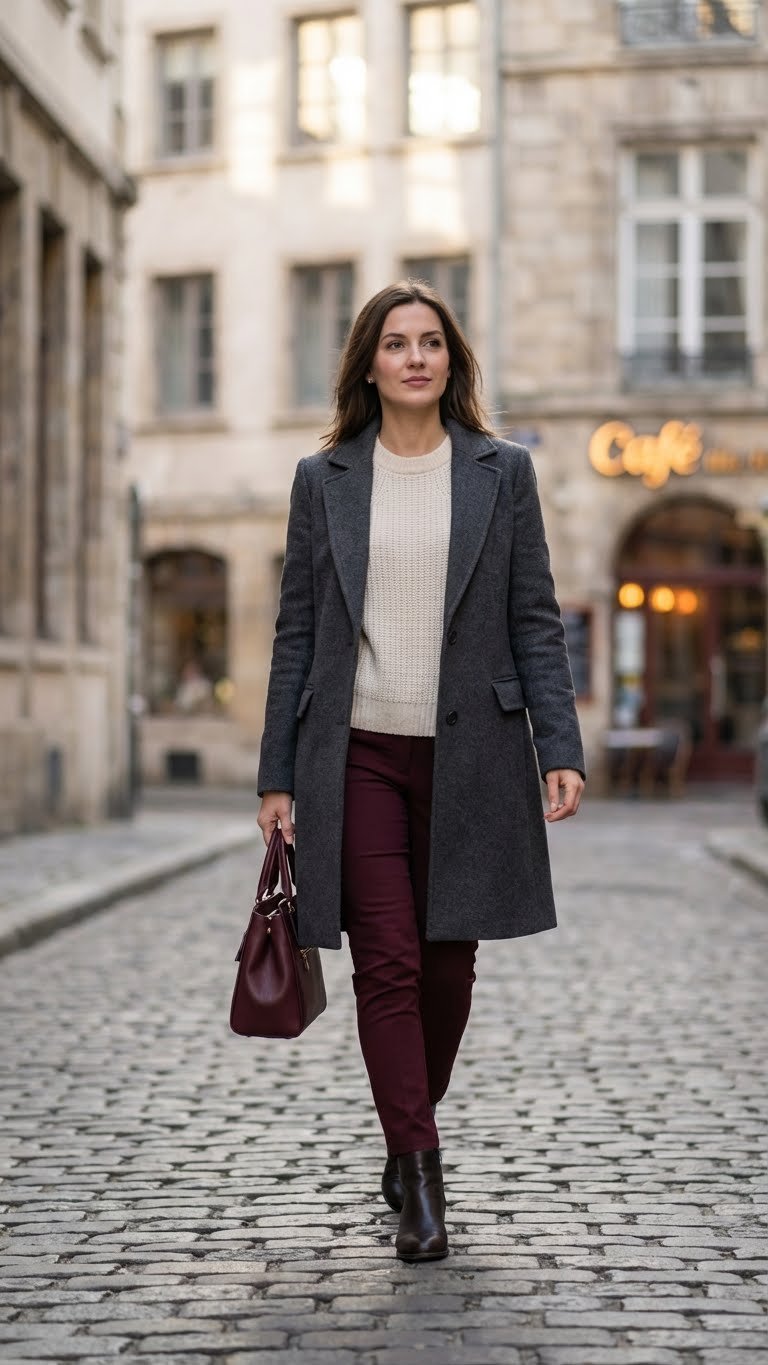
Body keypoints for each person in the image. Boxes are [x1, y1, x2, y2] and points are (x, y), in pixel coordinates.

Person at [256, 279, 585, 1264]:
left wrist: (559, 746)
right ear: (368, 364)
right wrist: (278, 774)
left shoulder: (500, 473)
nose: (413, 357)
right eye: (395, 343)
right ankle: (422, 1176)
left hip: (474, 757)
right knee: (388, 965)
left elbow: (535, 612)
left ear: (452, 361)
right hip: (354, 754)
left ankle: (405, 1137)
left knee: (448, 967)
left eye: (430, 342)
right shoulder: (325, 480)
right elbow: (298, 632)